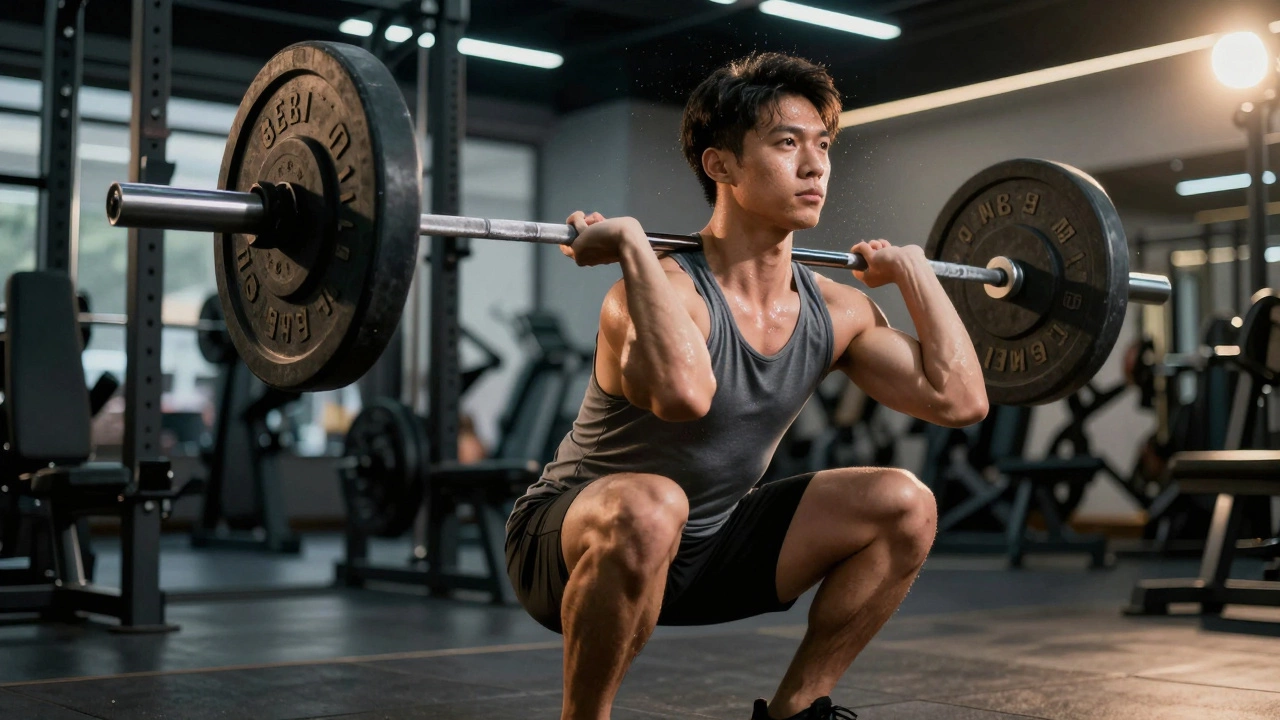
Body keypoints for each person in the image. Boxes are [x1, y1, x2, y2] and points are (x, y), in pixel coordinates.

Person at [505, 51, 988, 720]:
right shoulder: (657, 291)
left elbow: (959, 400)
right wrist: (637, 251)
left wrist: (915, 274)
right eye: (787, 143)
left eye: (822, 145)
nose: (815, 165)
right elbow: (683, 396)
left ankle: (800, 708)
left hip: (710, 545)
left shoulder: (837, 309)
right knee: (653, 504)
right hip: (565, 547)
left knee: (906, 503)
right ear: (721, 165)